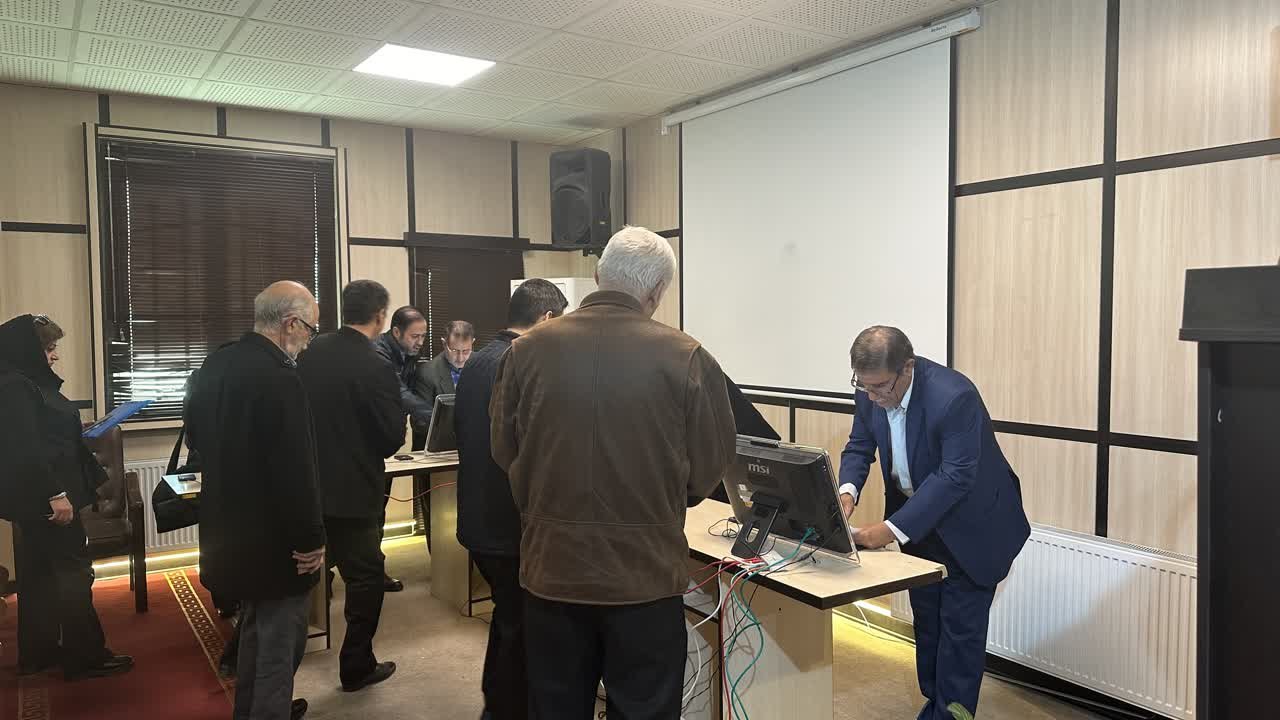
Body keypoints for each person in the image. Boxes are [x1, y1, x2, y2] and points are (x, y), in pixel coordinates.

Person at [490, 227, 737, 719]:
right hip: (645, 578)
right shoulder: (687, 356)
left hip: (551, 572)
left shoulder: (525, 350)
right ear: (658, 291)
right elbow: (710, 466)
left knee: (555, 708)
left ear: (599, 274)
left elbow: (504, 449)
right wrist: (670, 497)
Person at [838, 326, 1030, 720]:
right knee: (928, 627)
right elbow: (859, 446)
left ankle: (952, 714)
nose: (872, 397)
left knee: (959, 636)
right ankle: (936, 707)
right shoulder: (870, 391)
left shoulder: (954, 396)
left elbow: (954, 477)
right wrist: (846, 494)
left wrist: (885, 531)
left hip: (973, 528)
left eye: (880, 387)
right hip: (921, 525)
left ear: (907, 368)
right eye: (863, 386)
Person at [185, 281, 326, 720]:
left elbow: (196, 440)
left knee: (252, 639)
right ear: (290, 324)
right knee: (278, 652)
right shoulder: (281, 379)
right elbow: (296, 470)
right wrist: (311, 539)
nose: (310, 340)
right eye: (311, 329)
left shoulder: (217, 363)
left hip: (228, 532)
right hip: (275, 543)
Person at [0, 314, 133, 681]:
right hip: (49, 500)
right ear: (27, 350)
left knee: (39, 576)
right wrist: (55, 494)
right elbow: (26, 450)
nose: (55, 355)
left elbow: (45, 434)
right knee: (75, 575)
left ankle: (39, 653)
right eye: (48, 348)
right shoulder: (16, 387)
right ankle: (85, 656)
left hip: (40, 499)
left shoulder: (24, 382)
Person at [456, 281, 567, 720]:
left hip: (479, 517)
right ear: (547, 319)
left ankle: (498, 705)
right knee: (519, 628)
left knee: (508, 620)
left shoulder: (479, 359)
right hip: (510, 523)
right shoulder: (523, 363)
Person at [297, 280, 402, 693]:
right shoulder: (376, 365)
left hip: (308, 486)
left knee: (304, 577)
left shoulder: (310, 352)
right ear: (380, 316)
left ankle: (273, 673)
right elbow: (391, 438)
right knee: (366, 579)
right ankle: (356, 666)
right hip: (355, 492)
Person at [373, 305, 433, 581]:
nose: (420, 342)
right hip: (370, 443)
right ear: (396, 332)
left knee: (379, 509)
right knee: (372, 512)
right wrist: (434, 415)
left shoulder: (408, 354)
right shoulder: (378, 353)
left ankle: (374, 568)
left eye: (423, 336)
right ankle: (370, 571)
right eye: (415, 336)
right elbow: (399, 393)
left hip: (388, 442)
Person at [412, 320, 474, 449]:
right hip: (437, 449)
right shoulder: (427, 373)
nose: (460, 358)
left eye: (466, 351)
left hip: (472, 446)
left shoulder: (481, 366)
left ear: (472, 343)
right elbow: (420, 422)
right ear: (444, 343)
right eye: (454, 350)